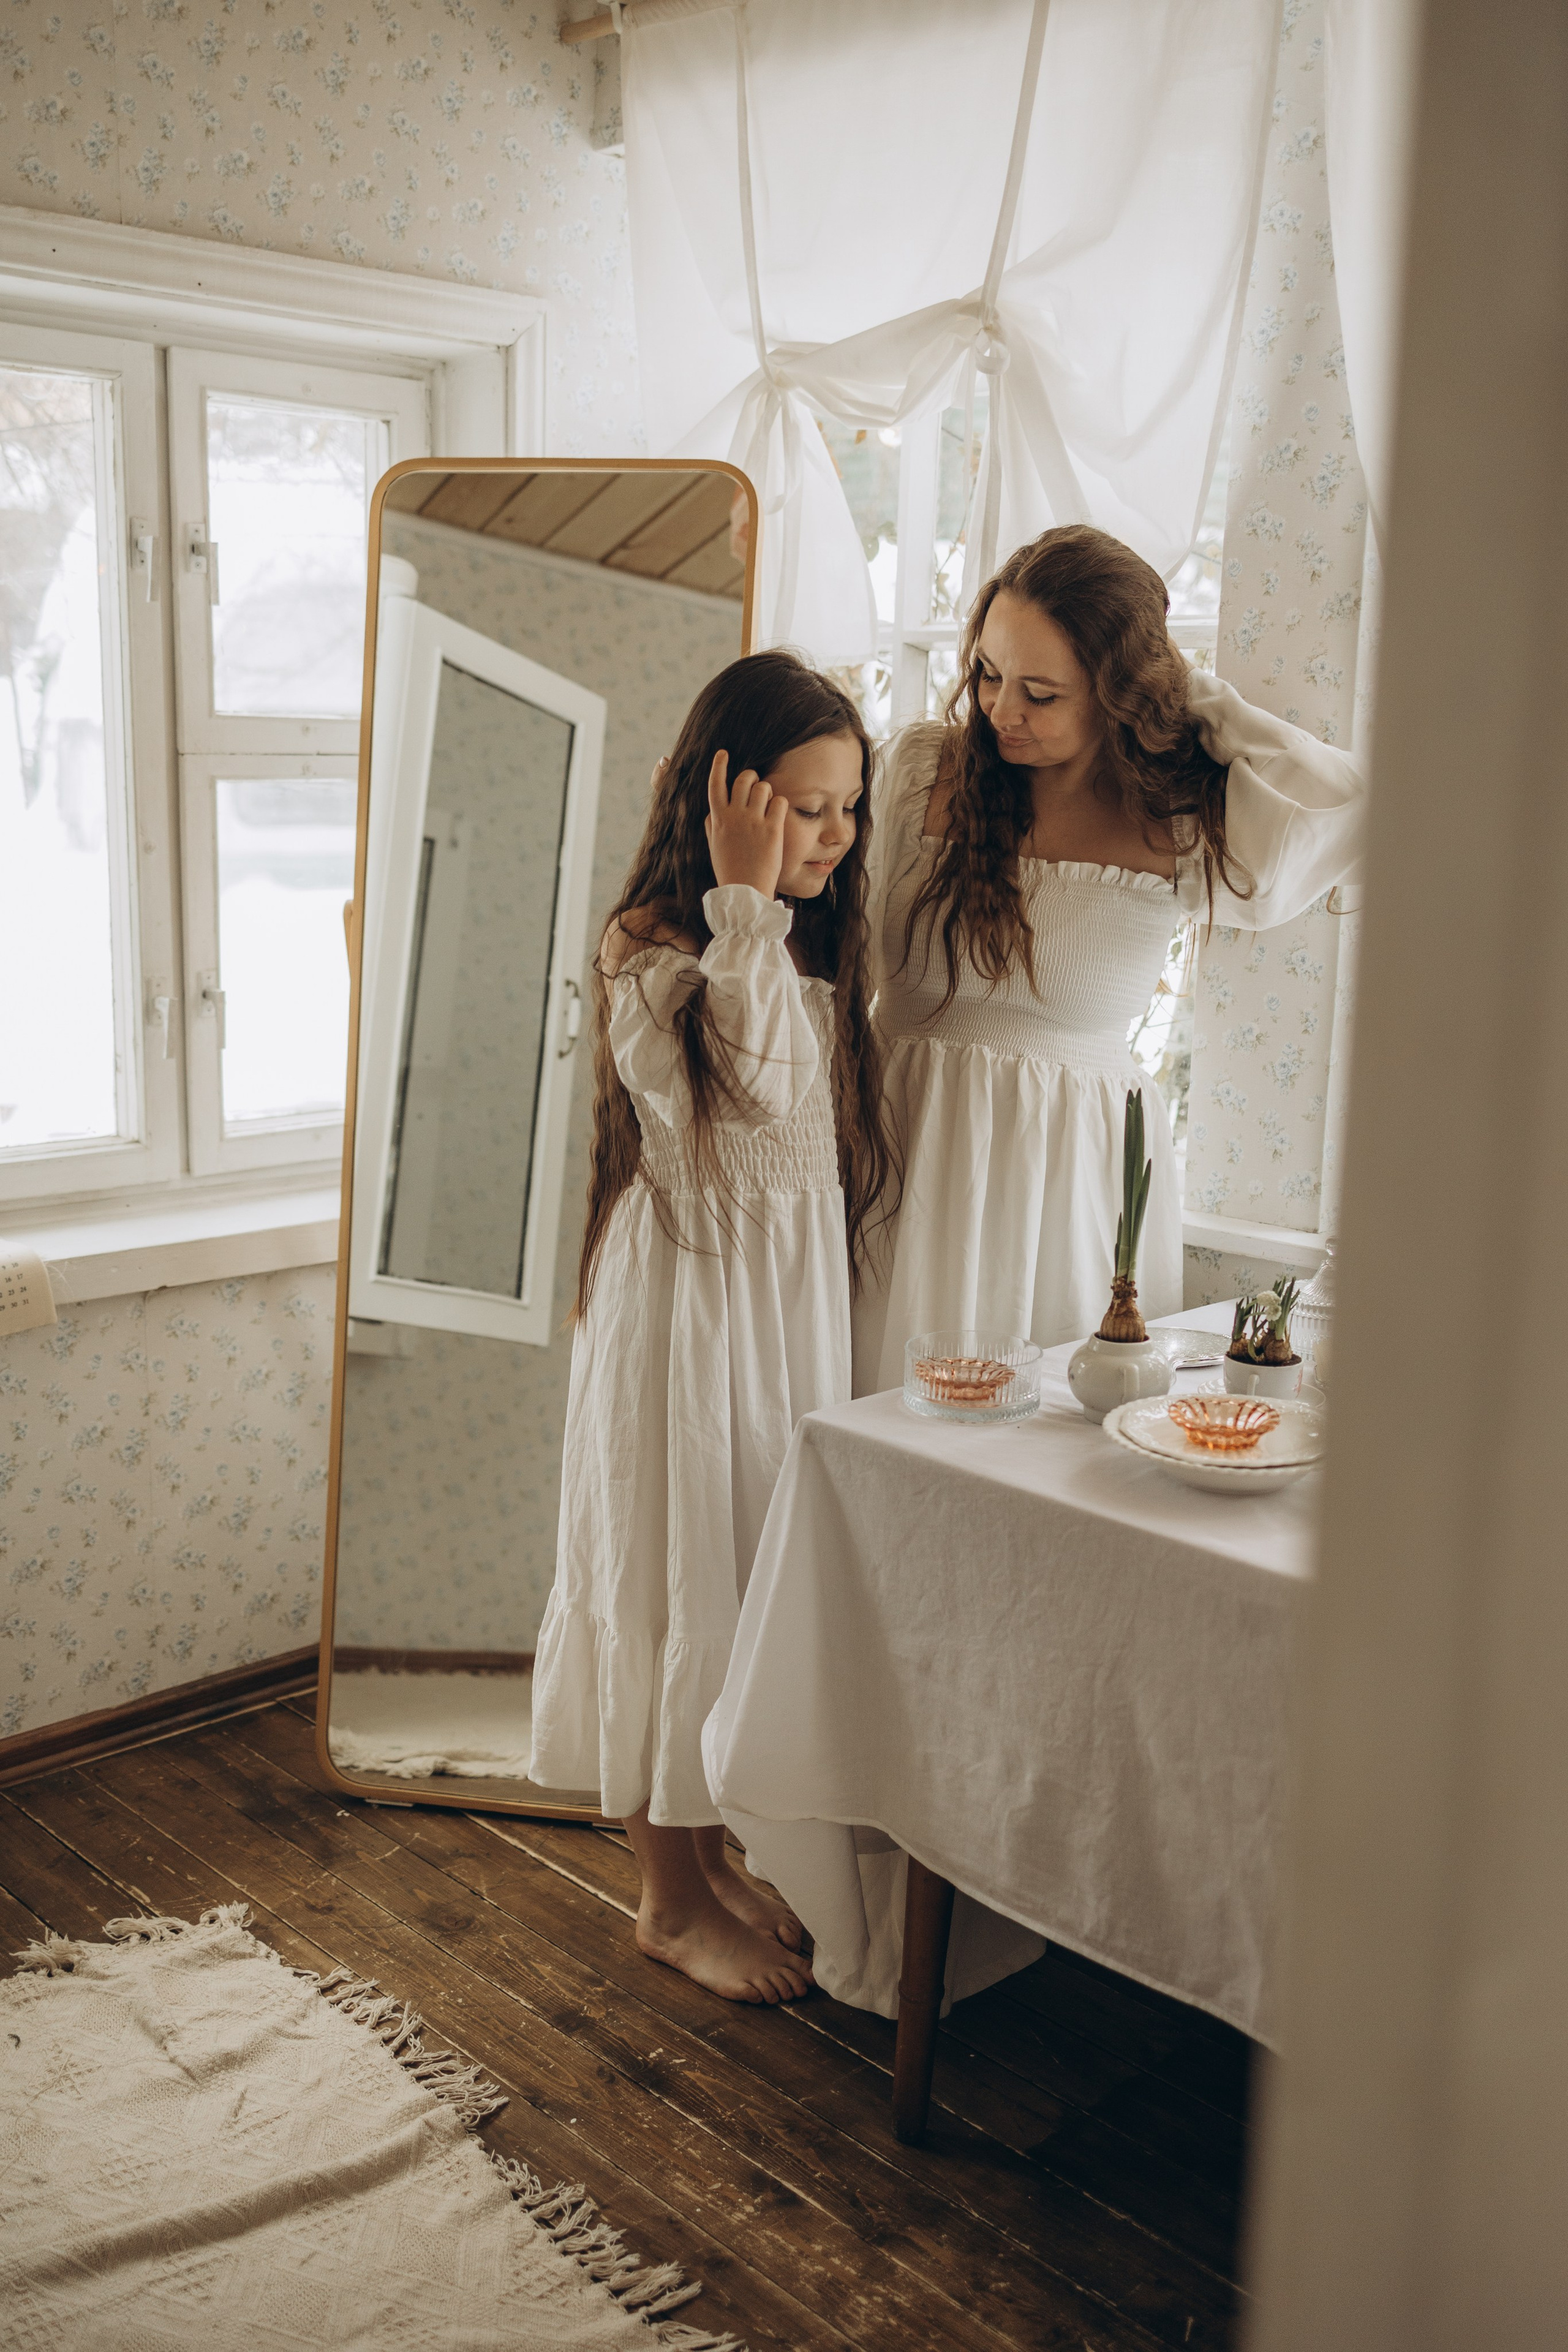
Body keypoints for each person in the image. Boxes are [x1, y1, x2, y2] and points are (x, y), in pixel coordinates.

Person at [529, 650, 894, 2004]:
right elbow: (737, 1119)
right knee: (671, 1570)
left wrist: (770, 911)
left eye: (843, 808)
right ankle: (666, 1896)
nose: (831, 836)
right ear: (723, 799)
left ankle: (720, 1854)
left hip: (777, 1311)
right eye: (800, 807)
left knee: (740, 1569)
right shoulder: (654, 945)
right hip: (685, 1309)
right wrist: (741, 904)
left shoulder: (797, 943)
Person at [852, 523, 1365, 1393]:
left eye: (1041, 693)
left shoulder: (1178, 823)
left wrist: (1193, 694)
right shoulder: (916, 771)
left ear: (1118, 692)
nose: (1000, 711)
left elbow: (1346, 804)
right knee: (871, 1413)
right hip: (899, 1146)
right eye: (986, 673)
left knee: (1045, 1449)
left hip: (1068, 1187)